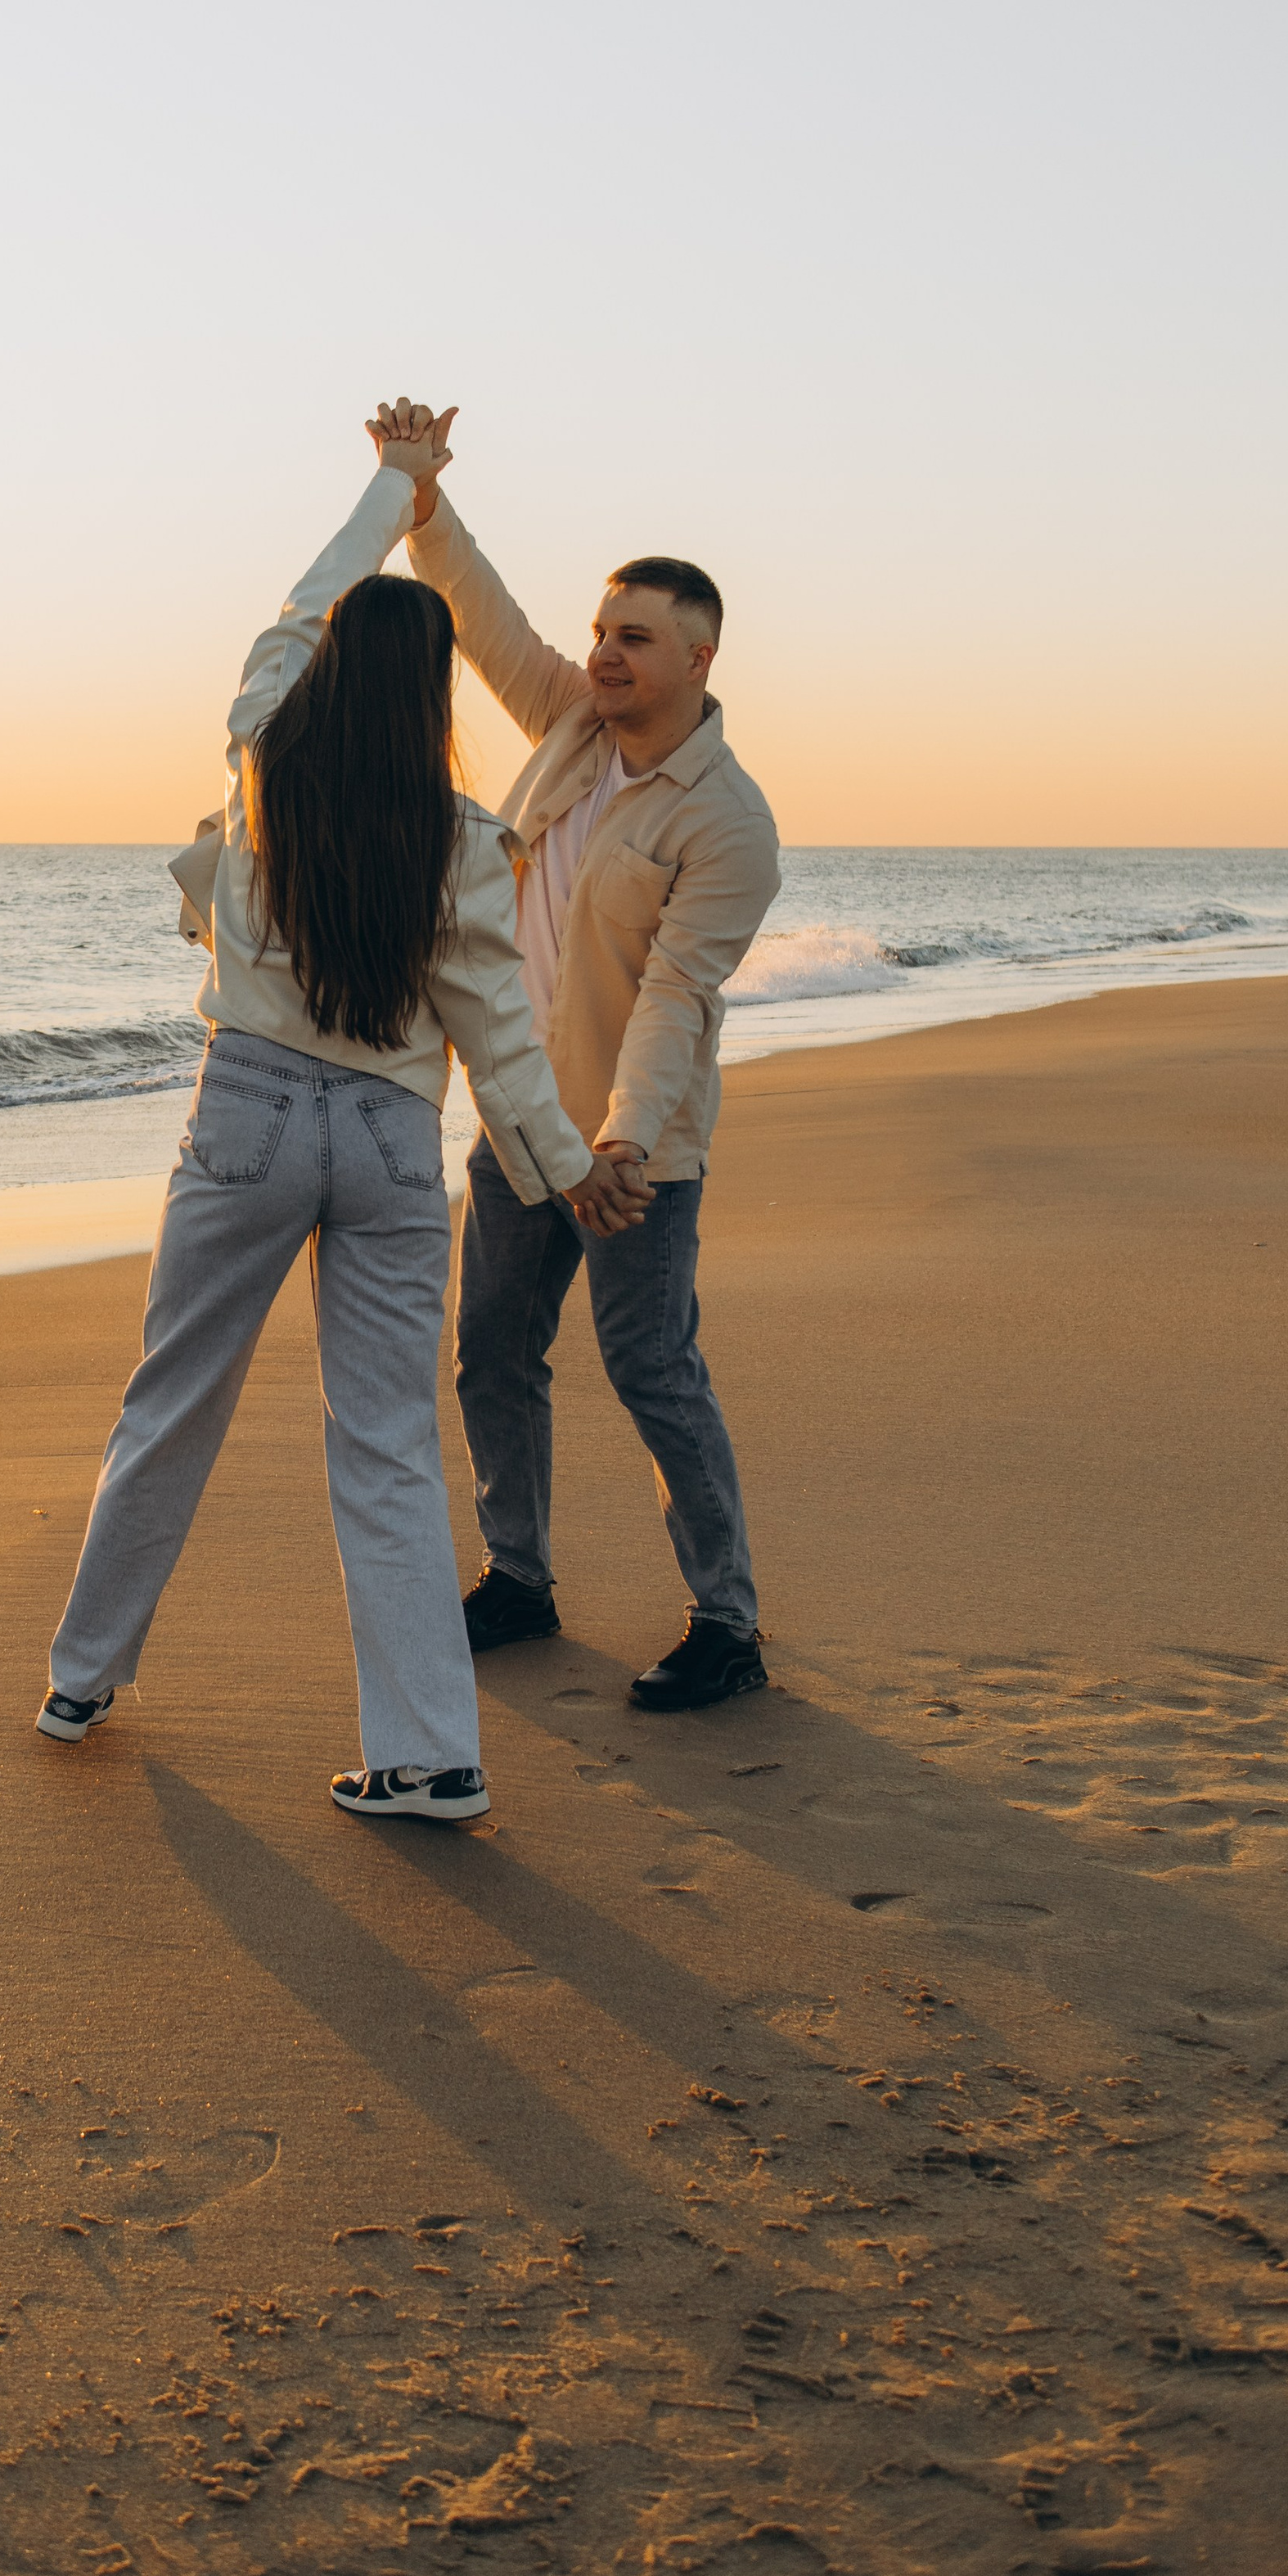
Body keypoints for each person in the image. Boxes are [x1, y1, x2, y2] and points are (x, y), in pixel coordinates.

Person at [39, 407, 645, 1820]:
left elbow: (301, 601)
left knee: (171, 1399)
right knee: (385, 1442)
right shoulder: (464, 842)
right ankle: (432, 1756)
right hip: (385, 1137)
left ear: (320, 673)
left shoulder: (261, 755)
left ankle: (83, 1677)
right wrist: (567, 1172)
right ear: (436, 694)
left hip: (245, 1115)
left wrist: (397, 484)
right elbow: (499, 1039)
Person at [379, 399, 781, 1713]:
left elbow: (679, 996)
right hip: (515, 1119)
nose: (601, 654)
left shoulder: (728, 823)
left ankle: (726, 1622)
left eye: (634, 638)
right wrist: (424, 498)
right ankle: (521, 1577)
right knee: (491, 1355)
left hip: (631, 1146)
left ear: (701, 657)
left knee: (652, 1368)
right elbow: (486, 617)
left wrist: (619, 1145)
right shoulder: (567, 726)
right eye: (602, 631)